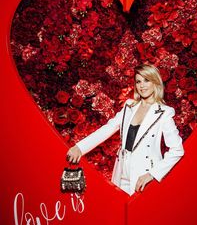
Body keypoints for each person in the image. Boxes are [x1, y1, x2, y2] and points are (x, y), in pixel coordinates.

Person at [66, 64, 184, 196]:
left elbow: (177, 149)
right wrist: (80, 147)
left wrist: (152, 174)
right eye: (138, 81)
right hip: (121, 173)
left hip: (144, 178)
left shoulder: (164, 112)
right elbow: (108, 128)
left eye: (146, 80)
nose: (142, 85)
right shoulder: (129, 106)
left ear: (155, 82)